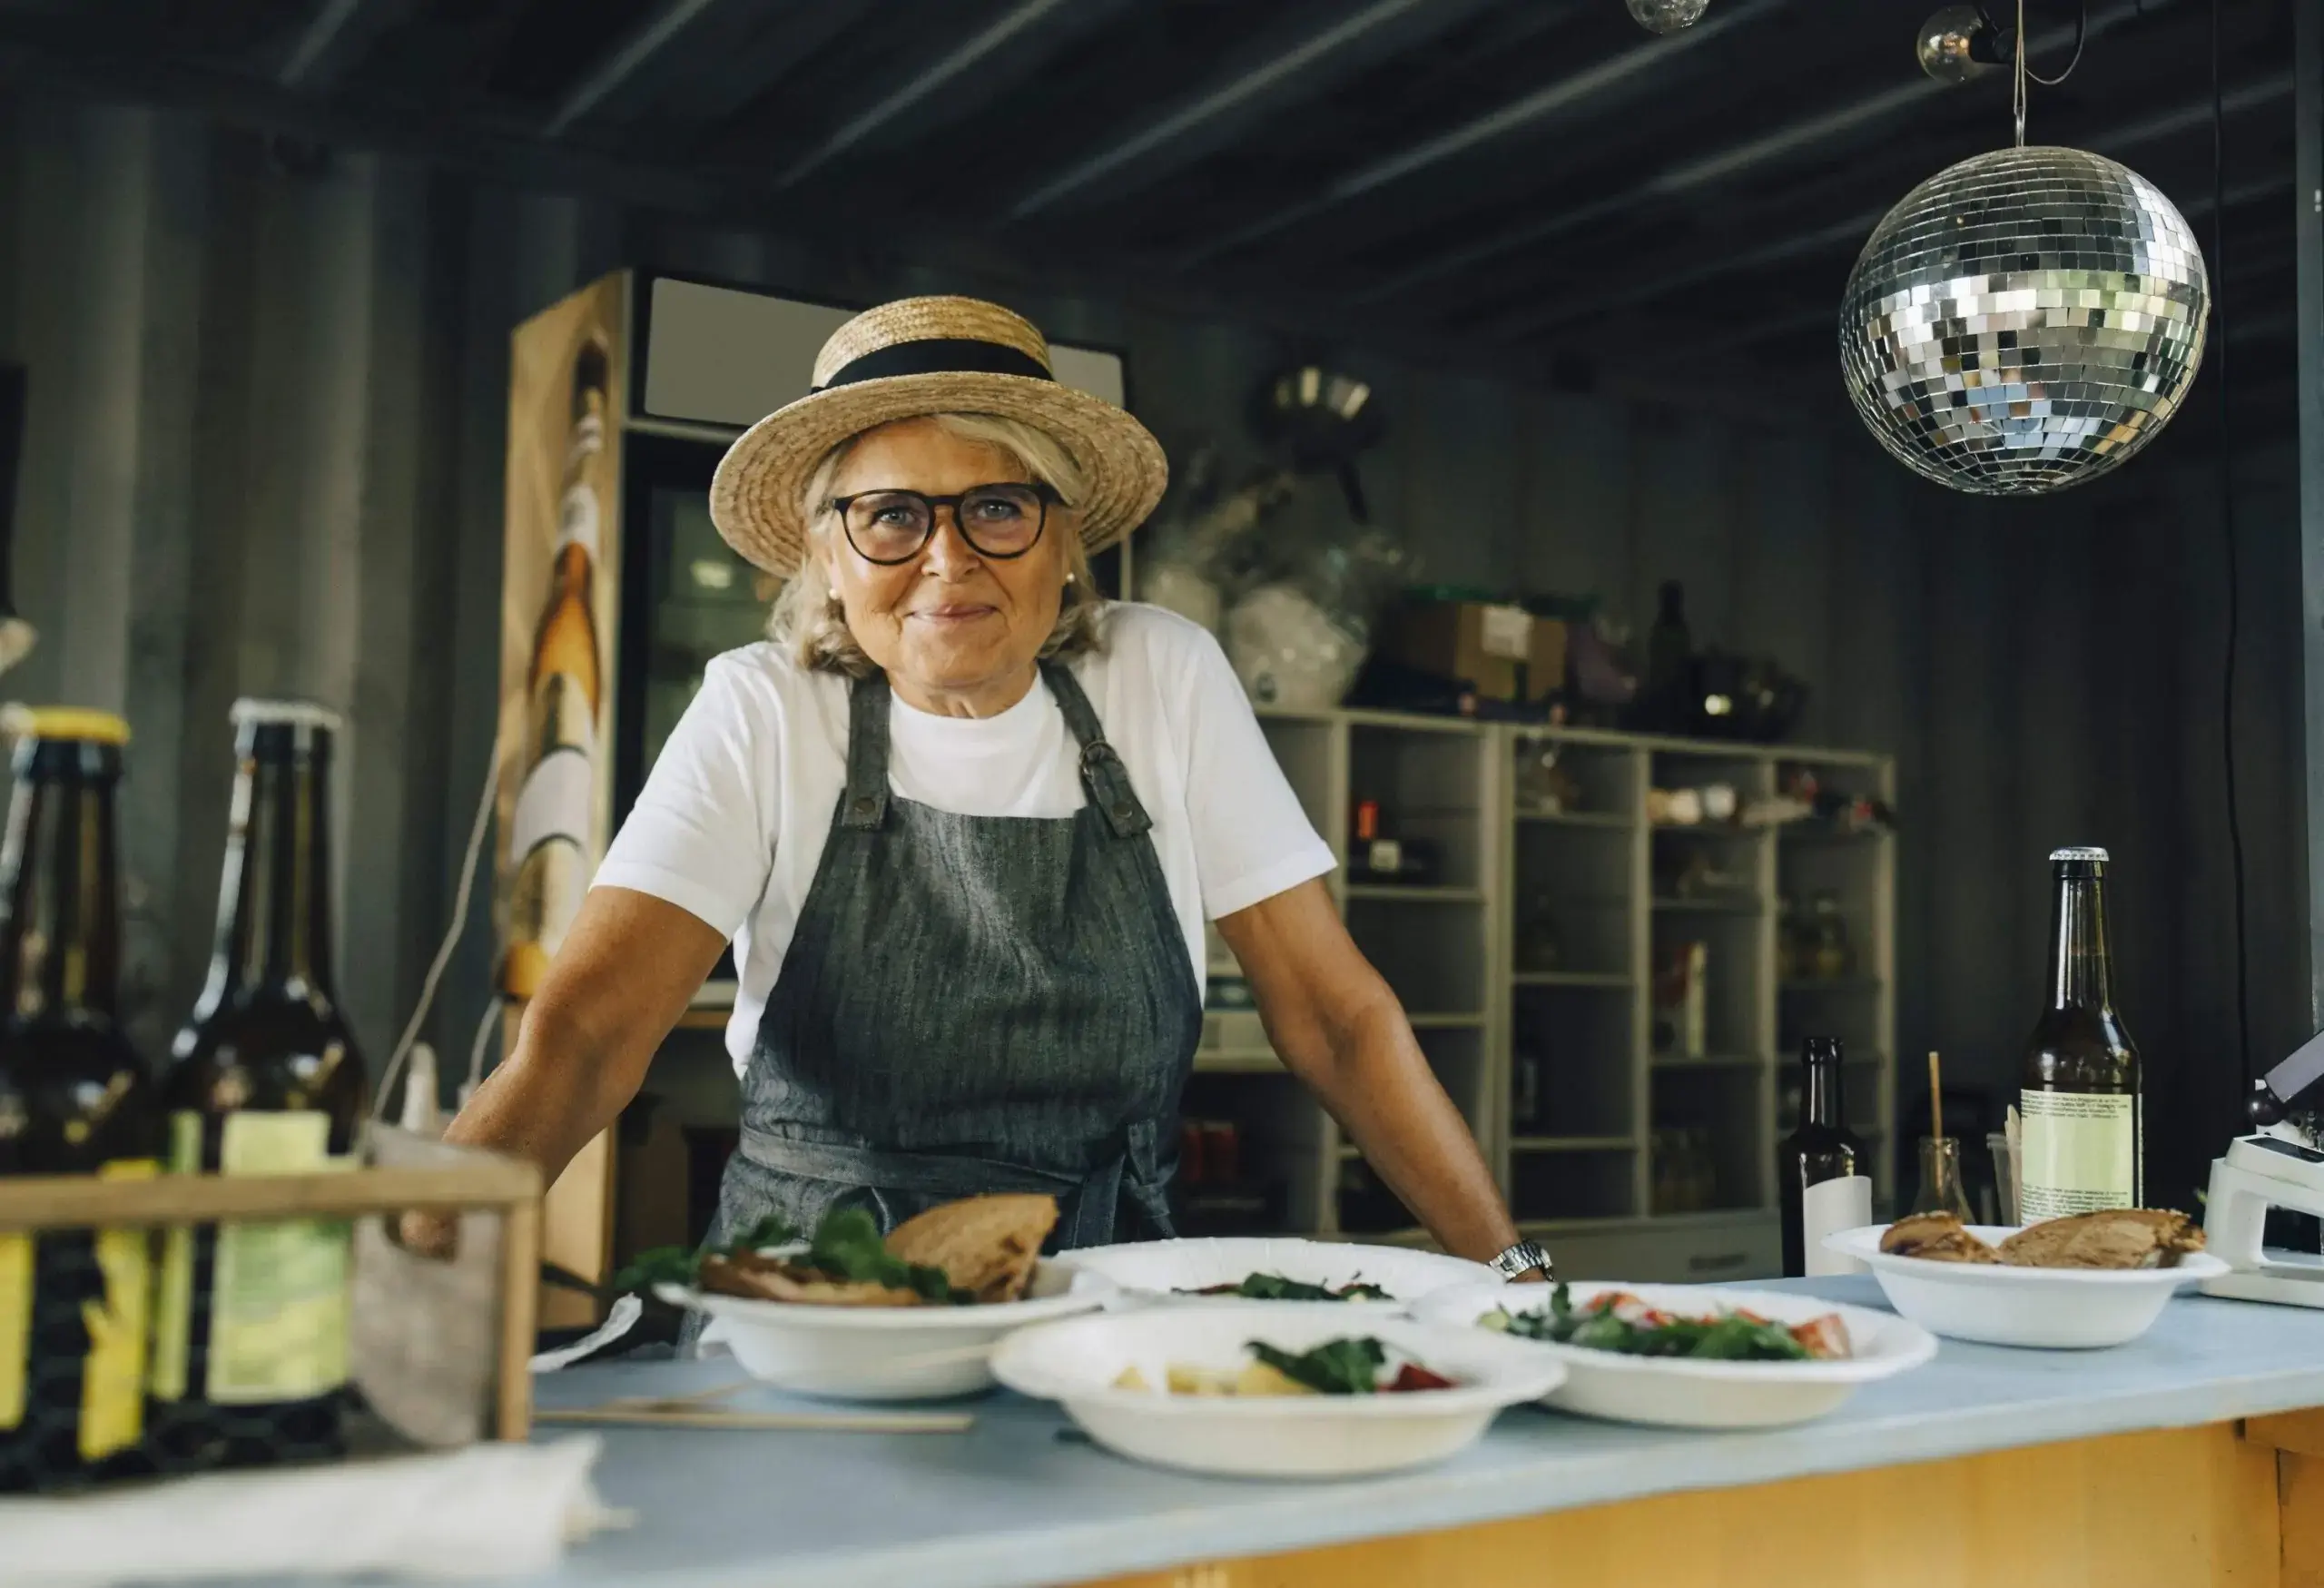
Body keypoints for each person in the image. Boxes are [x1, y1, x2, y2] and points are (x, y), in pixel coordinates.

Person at [432, 295, 1545, 1281]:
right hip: (823, 1299)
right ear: (827, 553)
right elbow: (586, 1035)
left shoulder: (1159, 675)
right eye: (892, 516)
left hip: (1107, 1303)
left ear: (1065, 538)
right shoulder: (764, 705)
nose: (948, 561)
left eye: (999, 509)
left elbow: (1337, 1020)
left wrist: (1515, 1275)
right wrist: (414, 1253)